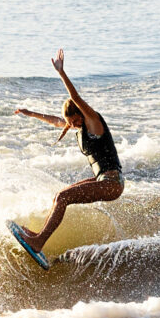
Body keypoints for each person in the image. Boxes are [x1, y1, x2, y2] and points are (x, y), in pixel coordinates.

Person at [11, 50, 124, 256]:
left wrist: (61, 73)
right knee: (59, 196)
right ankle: (39, 236)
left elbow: (75, 97)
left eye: (75, 121)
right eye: (72, 123)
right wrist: (30, 113)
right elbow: (56, 121)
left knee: (63, 197)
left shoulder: (93, 121)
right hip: (103, 180)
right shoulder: (81, 127)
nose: (74, 125)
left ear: (81, 114)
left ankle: (38, 242)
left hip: (112, 184)